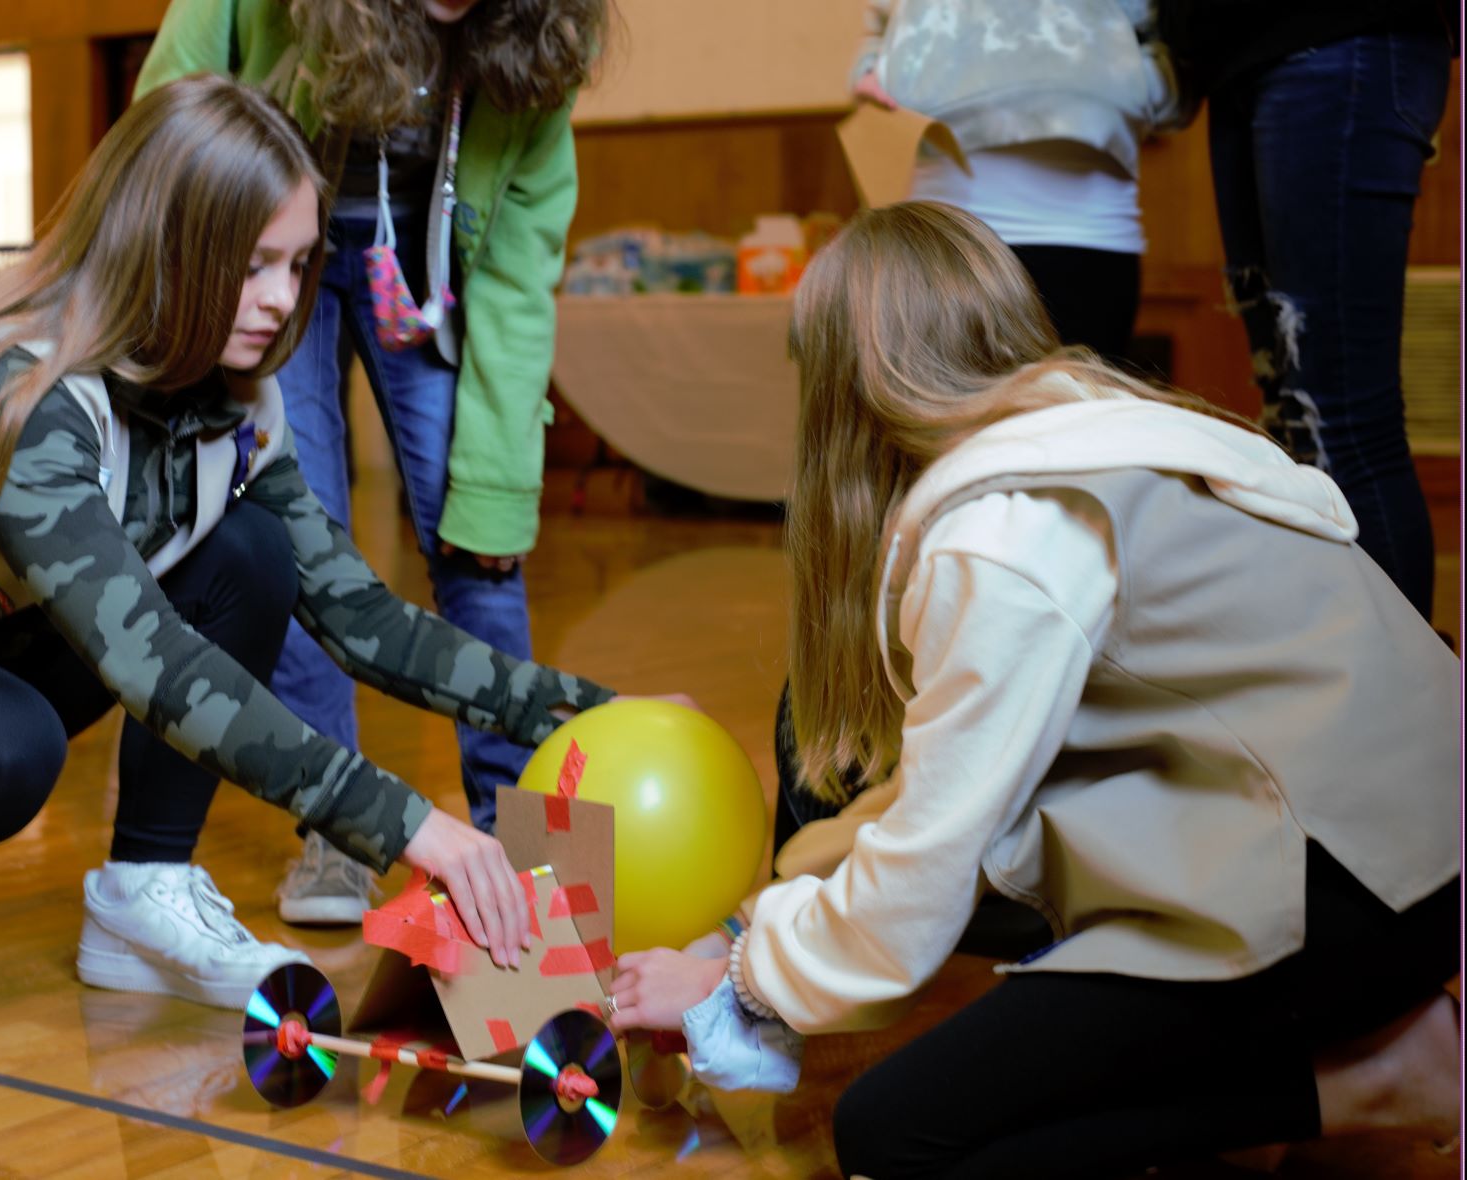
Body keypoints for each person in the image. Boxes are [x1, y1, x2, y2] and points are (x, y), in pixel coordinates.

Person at [0, 75, 623, 1055]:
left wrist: (581, 708)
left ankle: (145, 886)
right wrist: (409, 827)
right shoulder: (22, 386)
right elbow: (147, 659)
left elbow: (360, 617)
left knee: (253, 552)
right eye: (251, 263)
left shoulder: (232, 396)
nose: (278, 299)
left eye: (298, 264)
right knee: (2, 751)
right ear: (163, 245)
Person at [603, 202, 1460, 1178]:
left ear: (838, 396)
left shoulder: (998, 537)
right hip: (1410, 841)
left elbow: (919, 888)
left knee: (897, 1136)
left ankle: (1377, 1077)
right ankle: (1336, 1052)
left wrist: (743, 981)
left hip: (1360, 885)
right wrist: (764, 926)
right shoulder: (1089, 432)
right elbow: (950, 790)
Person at [134, 0, 610, 926]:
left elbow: (518, 270)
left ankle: (520, 851)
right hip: (270, 252)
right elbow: (169, 115)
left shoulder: (537, 36)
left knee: (481, 541)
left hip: (433, 264)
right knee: (297, 535)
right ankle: (340, 831)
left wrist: (497, 485)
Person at [1157, 0, 1457, 619]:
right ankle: (1343, 677)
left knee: (1341, 419)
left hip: (1337, 35)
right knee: (1291, 418)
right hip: (1240, 58)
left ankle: (1401, 695)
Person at [851, 0, 1185, 364]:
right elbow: (882, 22)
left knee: (1080, 413)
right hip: (945, 232)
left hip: (1085, 231)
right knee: (945, 410)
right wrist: (875, 71)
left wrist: (1129, 88)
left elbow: (1171, 34)